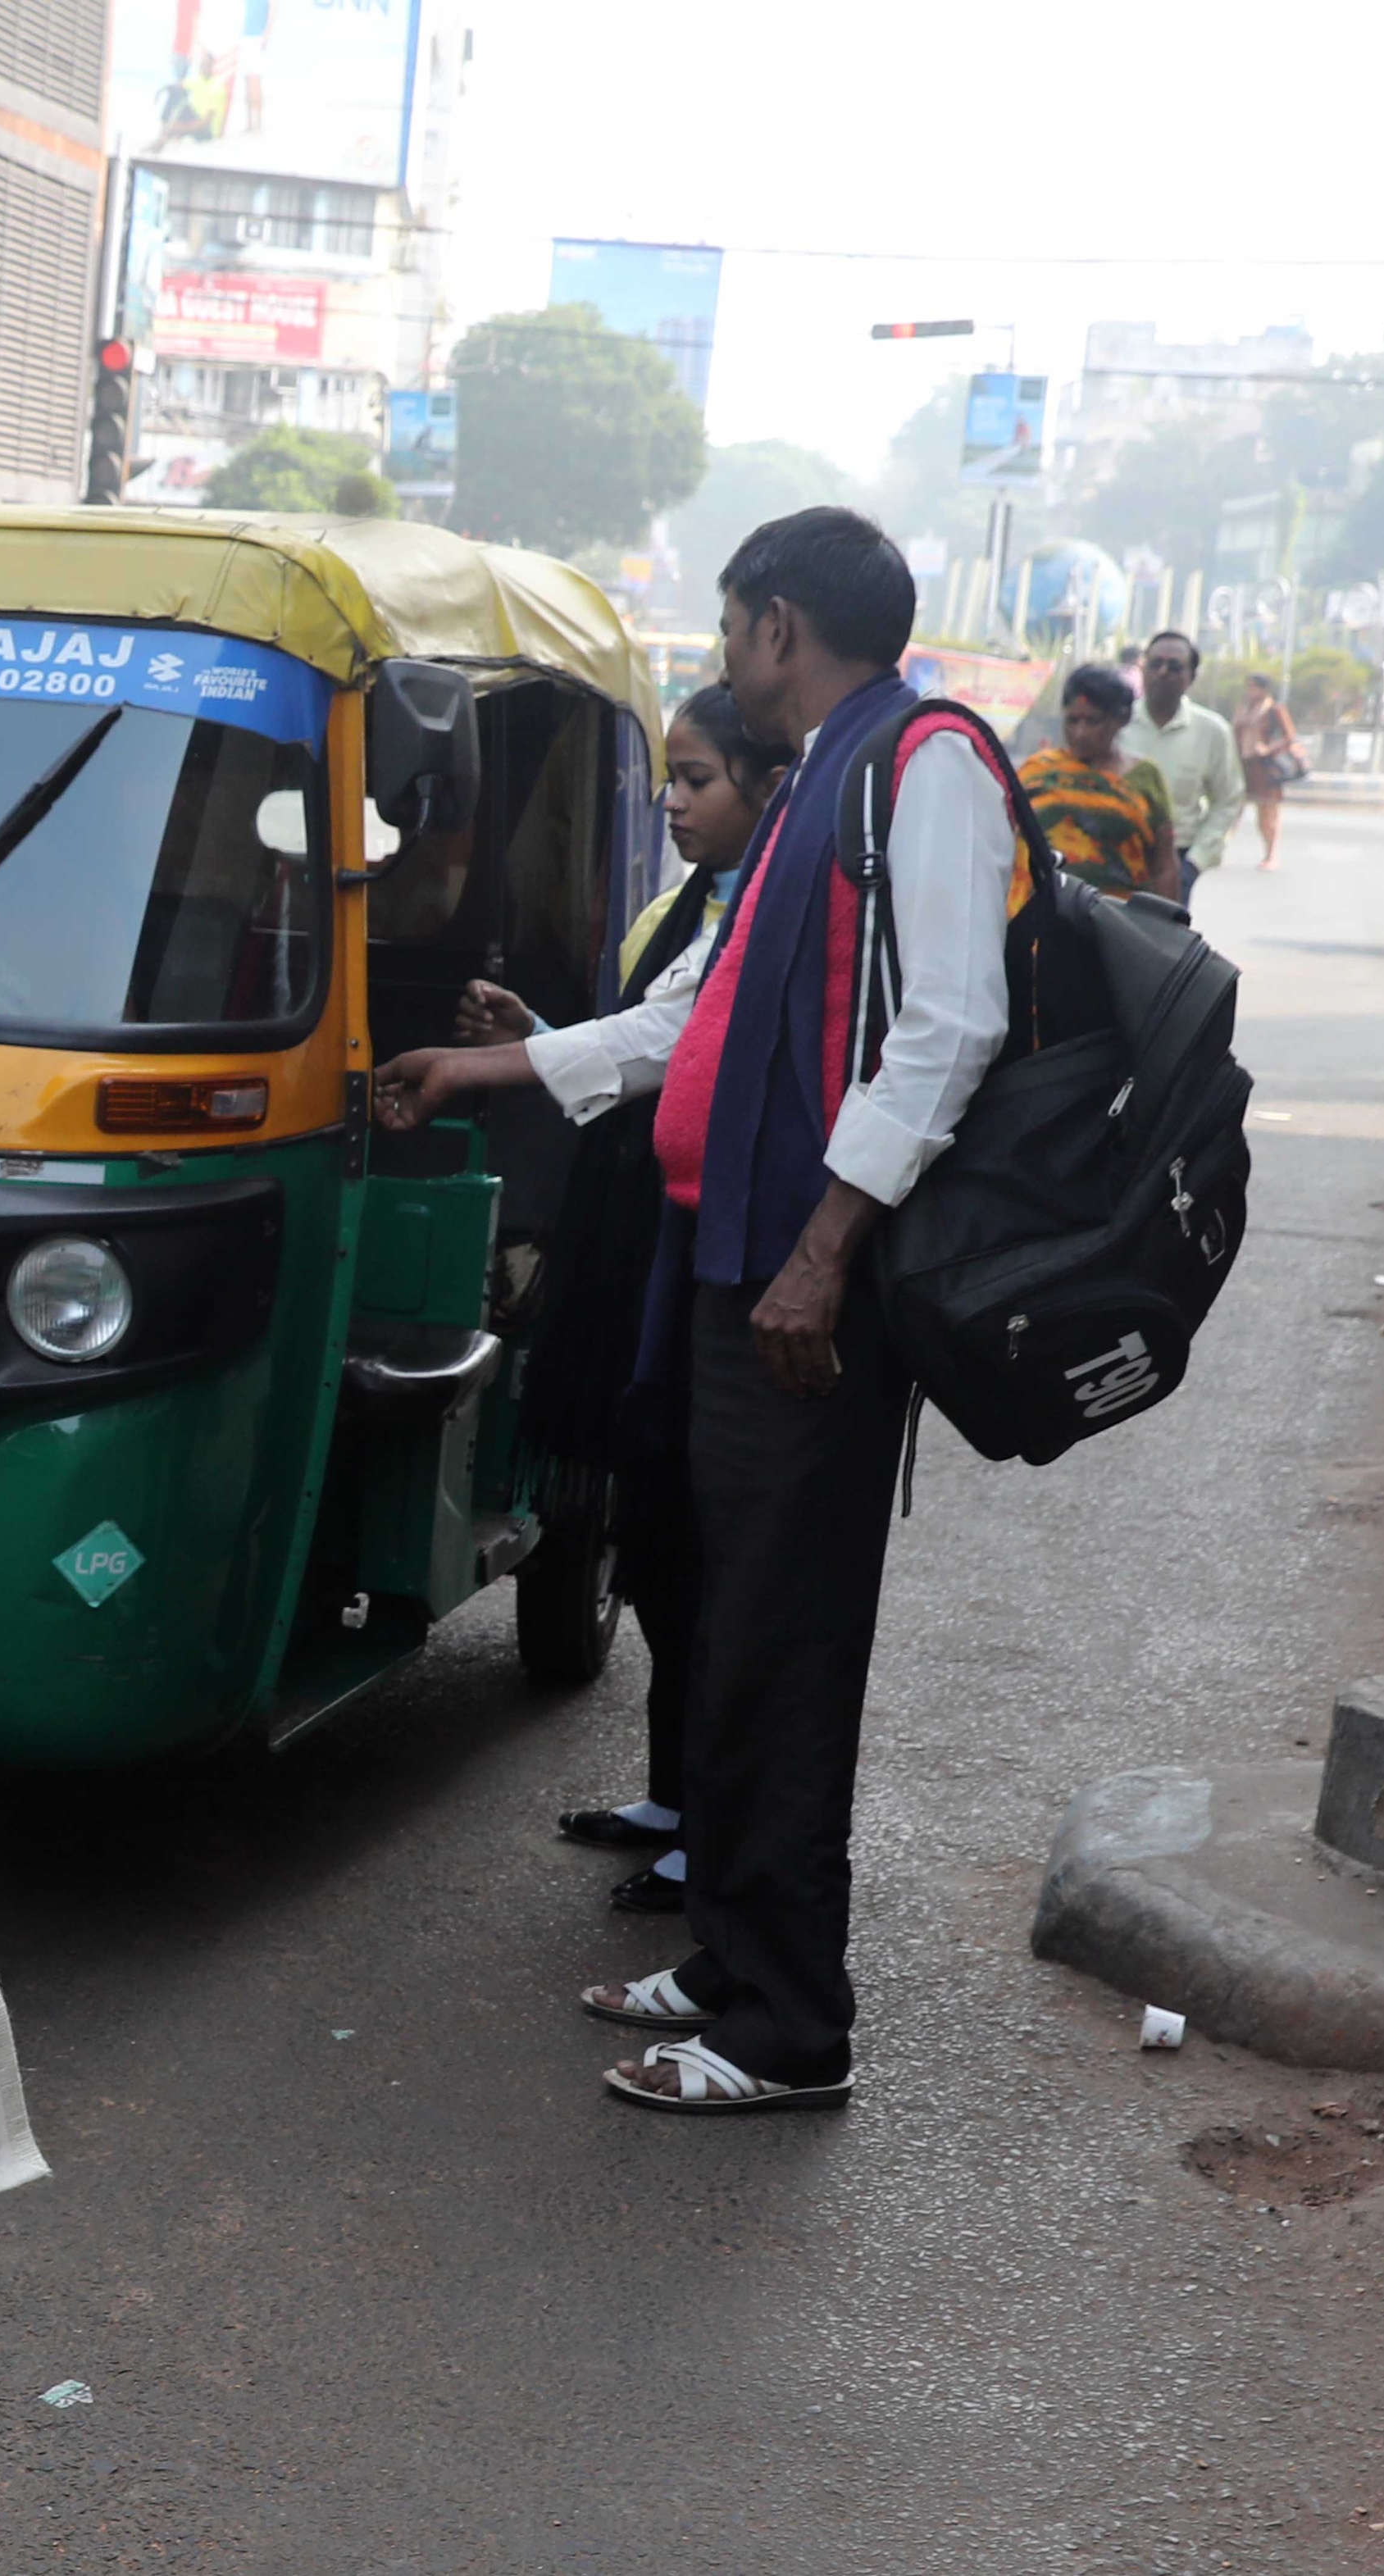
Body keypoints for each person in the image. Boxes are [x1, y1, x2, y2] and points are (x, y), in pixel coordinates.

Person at [369, 507, 1017, 2116]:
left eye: (732, 628)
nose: (725, 656)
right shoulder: (819, 782)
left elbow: (949, 1027)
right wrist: (492, 1065)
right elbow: (693, 1026)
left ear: (778, 626)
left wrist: (821, 1245)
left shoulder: (922, 760)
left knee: (782, 1651)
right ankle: (730, 1956)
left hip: (805, 1293)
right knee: (726, 1631)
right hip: (733, 1276)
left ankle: (786, 2024)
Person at [458, 686, 783, 1918]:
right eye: (674, 779)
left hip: (690, 1242)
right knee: (648, 1531)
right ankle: (672, 1794)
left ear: (763, 782)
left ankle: (714, 1823)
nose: (676, 802)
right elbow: (642, 1040)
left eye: (698, 779)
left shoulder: (770, 909)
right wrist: (538, 1033)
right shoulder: (688, 903)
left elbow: (671, 1042)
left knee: (699, 1546)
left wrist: (498, 1059)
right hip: (631, 1228)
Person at [1019, 664, 1181, 894]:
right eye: (1073, 721)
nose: (1080, 733)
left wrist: (1167, 925)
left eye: (1093, 722)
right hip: (1040, 918)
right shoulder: (1036, 772)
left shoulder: (1145, 778)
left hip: (1119, 920)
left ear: (1122, 719)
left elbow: (1164, 864)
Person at [1118, 630, 1241, 899]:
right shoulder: (1117, 722)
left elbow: (1227, 800)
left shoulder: (1212, 732)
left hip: (1175, 860)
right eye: (1155, 664)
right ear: (1143, 669)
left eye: (1175, 667)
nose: (1163, 672)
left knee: (1162, 940)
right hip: (1113, 855)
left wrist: (1195, 863)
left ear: (1191, 677)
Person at [1238, 673, 1305, 867]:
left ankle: (1271, 855)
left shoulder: (1274, 710)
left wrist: (1268, 749)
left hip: (1266, 769)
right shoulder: (1244, 710)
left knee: (1267, 815)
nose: (1251, 692)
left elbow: (1289, 736)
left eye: (1255, 687)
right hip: (1245, 766)